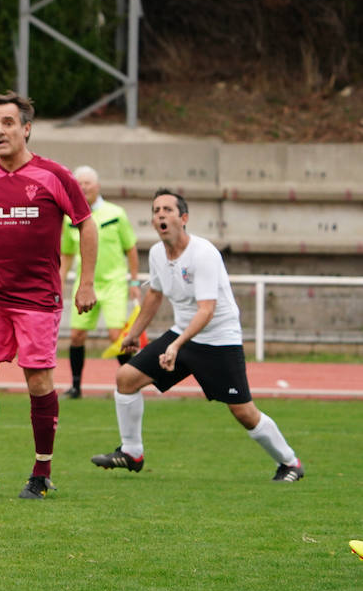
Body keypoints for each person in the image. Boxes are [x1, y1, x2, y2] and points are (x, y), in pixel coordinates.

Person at [90, 189, 304, 482]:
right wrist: (134, 333)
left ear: (184, 218)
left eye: (167, 209)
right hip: (183, 335)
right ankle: (132, 453)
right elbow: (154, 294)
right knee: (126, 378)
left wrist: (176, 345)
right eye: (156, 210)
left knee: (244, 412)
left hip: (219, 340)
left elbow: (207, 310)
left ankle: (290, 462)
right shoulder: (156, 253)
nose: (160, 215)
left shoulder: (203, 253)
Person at [0, 90, 97, 501]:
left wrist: (86, 282)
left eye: (8, 123)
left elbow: (86, 224)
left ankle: (41, 473)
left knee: (38, 381)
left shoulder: (54, 176)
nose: (0, 131)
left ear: (26, 129)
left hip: (37, 298)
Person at [57, 165, 141, 398]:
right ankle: (76, 386)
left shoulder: (116, 213)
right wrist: (59, 281)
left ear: (98, 186)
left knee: (116, 336)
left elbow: (131, 248)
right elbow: (66, 254)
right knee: (76, 335)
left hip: (114, 282)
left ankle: (131, 382)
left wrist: (134, 282)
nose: (83, 188)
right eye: (79, 184)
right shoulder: (69, 218)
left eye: (88, 183)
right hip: (85, 284)